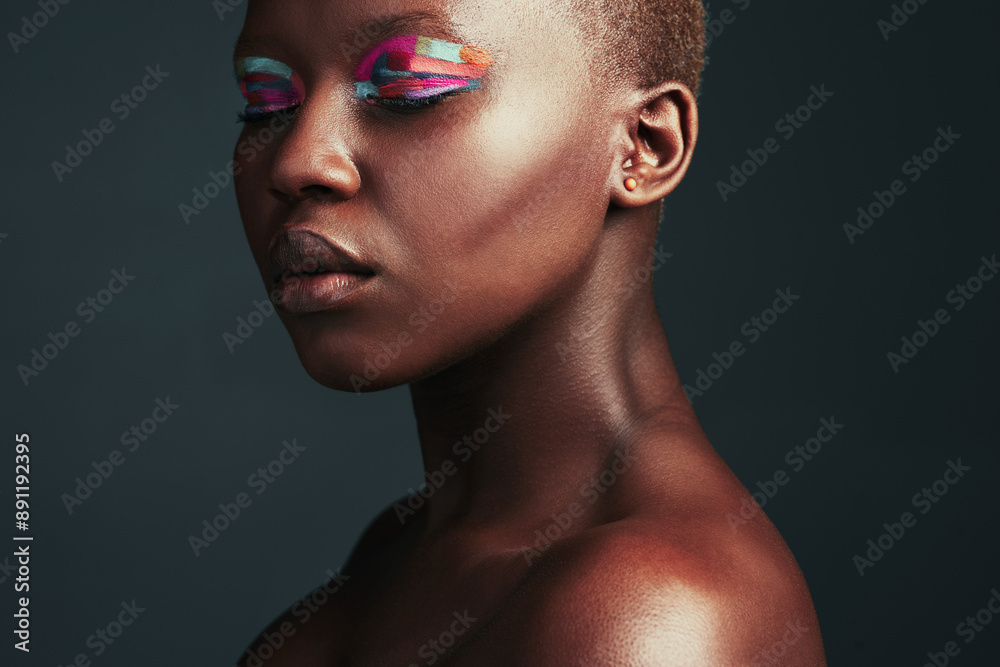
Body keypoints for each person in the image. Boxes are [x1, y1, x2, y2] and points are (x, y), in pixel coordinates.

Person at [231, 0, 826, 664]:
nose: (295, 160)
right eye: (266, 101)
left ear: (644, 145)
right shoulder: (405, 547)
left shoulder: (651, 614)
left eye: (408, 86)